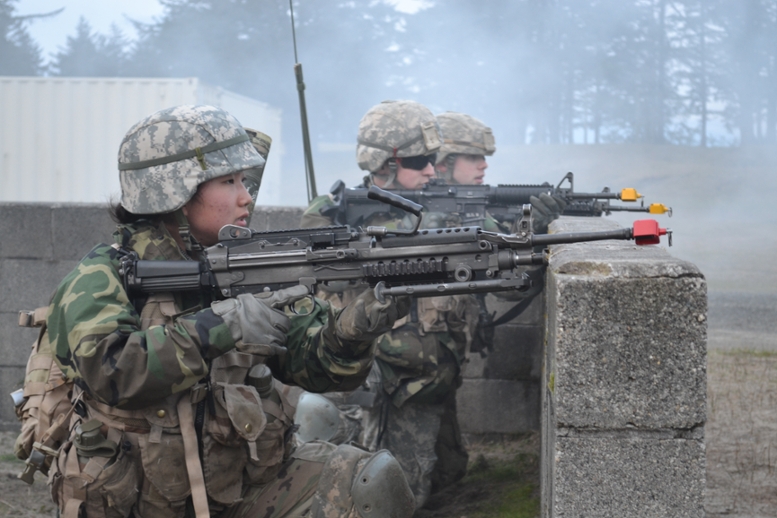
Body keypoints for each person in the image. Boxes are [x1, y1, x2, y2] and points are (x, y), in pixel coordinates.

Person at [23, 105, 416, 518]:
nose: (246, 196)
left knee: (369, 484)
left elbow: (318, 369)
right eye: (229, 181)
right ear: (173, 192)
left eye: (244, 181)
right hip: (136, 503)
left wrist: (354, 330)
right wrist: (223, 325)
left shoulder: (243, 265)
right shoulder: (102, 274)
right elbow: (112, 370)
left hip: (234, 490)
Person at [299, 100, 478, 508]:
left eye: (433, 160)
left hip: (429, 379)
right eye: (419, 161)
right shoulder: (334, 212)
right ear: (383, 165)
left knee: (441, 478)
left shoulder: (444, 207)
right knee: (382, 494)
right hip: (373, 378)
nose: (431, 170)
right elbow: (318, 270)